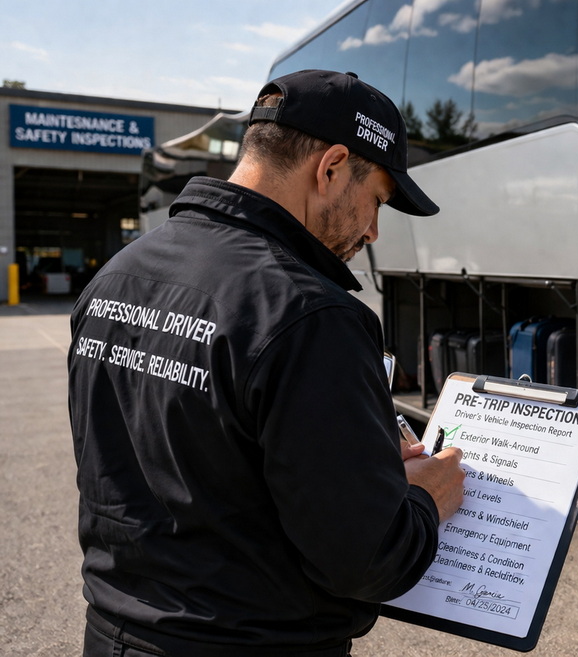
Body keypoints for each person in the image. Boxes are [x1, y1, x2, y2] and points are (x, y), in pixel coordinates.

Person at [68, 69, 466, 656]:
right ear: (330, 167)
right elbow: (365, 560)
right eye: (376, 201)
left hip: (111, 636)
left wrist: (357, 463)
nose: (374, 231)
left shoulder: (117, 275)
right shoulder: (309, 315)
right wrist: (425, 498)